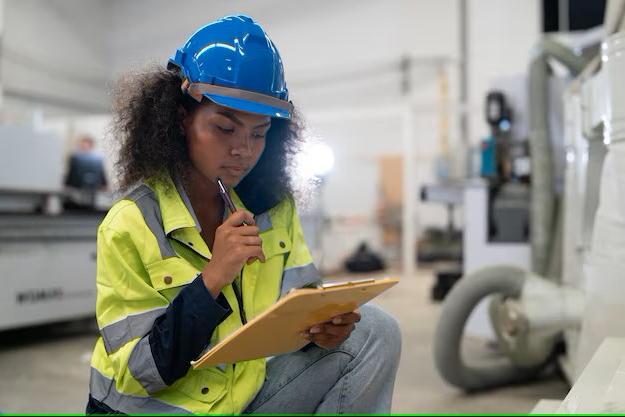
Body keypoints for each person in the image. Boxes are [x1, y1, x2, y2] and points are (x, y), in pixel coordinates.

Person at [86, 14, 401, 415]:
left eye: (259, 132)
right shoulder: (130, 223)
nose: (244, 150)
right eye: (224, 128)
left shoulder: (271, 206)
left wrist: (322, 327)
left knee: (376, 331)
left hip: (238, 402)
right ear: (181, 119)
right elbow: (142, 372)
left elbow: (301, 302)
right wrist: (214, 277)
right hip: (152, 409)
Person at [64, 135, 108, 209]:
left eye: (87, 144)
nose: (85, 146)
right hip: (77, 188)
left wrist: (104, 184)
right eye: (83, 144)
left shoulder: (98, 159)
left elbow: (101, 172)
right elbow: (71, 173)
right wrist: (67, 185)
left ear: (91, 145)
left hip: (93, 189)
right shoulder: (75, 157)